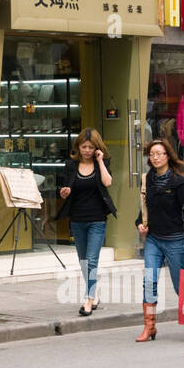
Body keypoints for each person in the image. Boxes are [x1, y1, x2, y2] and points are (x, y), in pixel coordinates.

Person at [134, 137, 184, 341]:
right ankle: (149, 327)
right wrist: (139, 222)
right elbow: (144, 207)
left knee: (179, 285)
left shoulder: (179, 182)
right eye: (152, 154)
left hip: (174, 240)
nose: (155, 158)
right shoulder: (148, 179)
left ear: (168, 156)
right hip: (154, 240)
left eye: (159, 154)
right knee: (149, 282)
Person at [56, 128, 115, 316]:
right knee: (83, 261)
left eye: (91, 147)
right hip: (77, 219)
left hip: (97, 219)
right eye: (84, 147)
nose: (87, 150)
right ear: (78, 147)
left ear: (97, 148)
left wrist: (100, 160)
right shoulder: (71, 165)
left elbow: (107, 182)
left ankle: (88, 300)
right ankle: (94, 293)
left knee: (91, 260)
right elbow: (64, 187)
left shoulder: (102, 163)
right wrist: (64, 192)